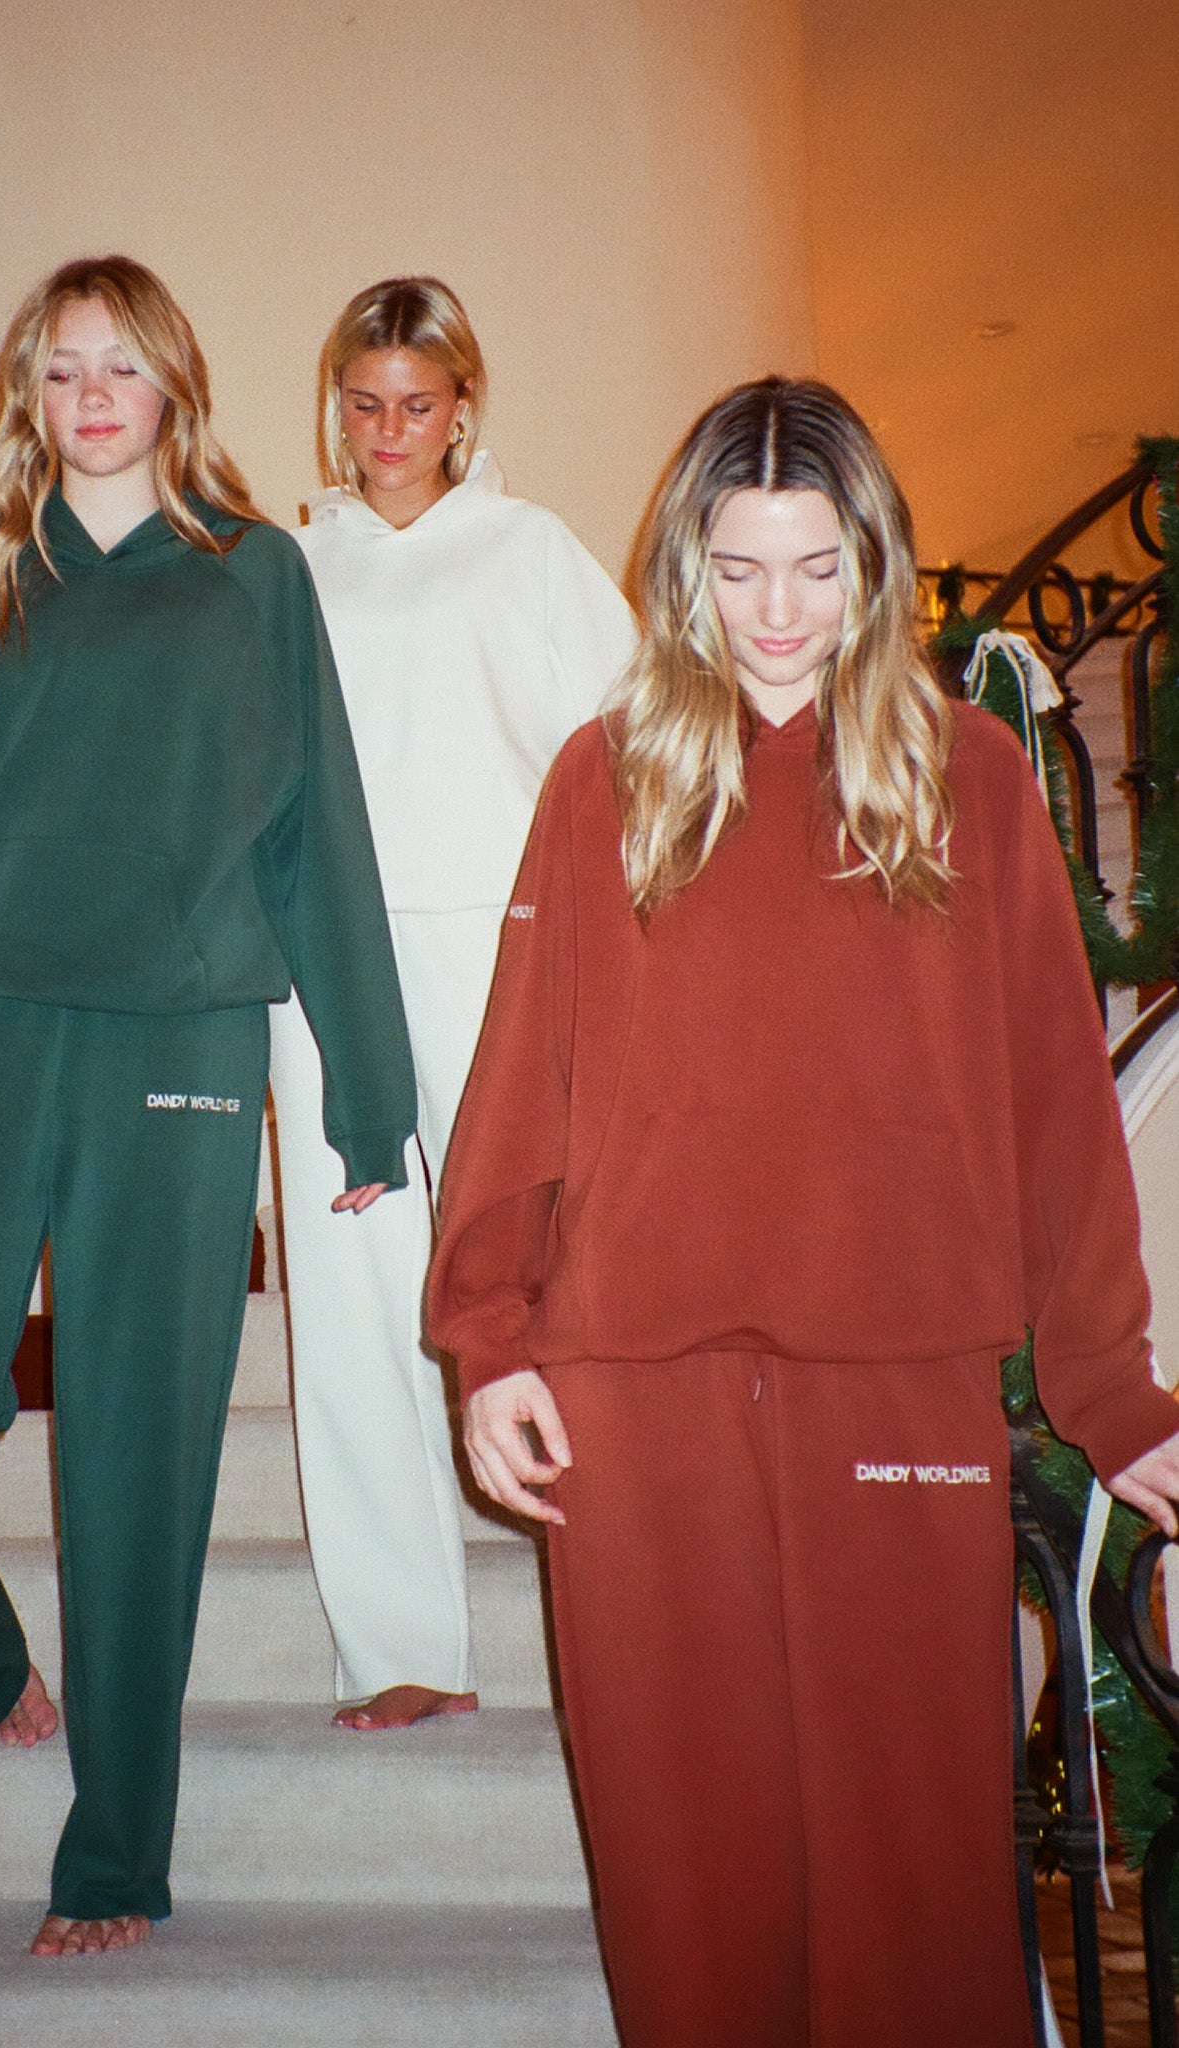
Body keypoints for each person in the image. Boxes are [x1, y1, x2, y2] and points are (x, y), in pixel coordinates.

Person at [425, 375, 1179, 2045]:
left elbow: (1056, 1105)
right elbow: (518, 1085)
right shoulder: (604, 778)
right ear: (686, 571)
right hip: (632, 1388)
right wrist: (492, 1345)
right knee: (681, 1857)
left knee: (909, 1853)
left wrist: (1109, 1390)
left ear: (875, 568)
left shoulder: (969, 780)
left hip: (892, 1377)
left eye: (817, 567)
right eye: (740, 566)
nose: (778, 613)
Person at [0, 255, 415, 1959]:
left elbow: (318, 834)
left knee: (142, 1453)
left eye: (122, 365)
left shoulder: (250, 577)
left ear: (174, 387)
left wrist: (372, 1098)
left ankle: (118, 1849)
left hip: (180, 1043)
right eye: (62, 371)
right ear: (28, 397)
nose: (92, 395)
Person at [268, 276, 635, 1731]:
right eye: (363, 405)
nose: (388, 431)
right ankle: (402, 1648)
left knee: (547, 1268)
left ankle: (620, 1618)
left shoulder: (529, 553)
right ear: (334, 406)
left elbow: (626, 751)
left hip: (500, 952)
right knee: (353, 1299)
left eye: (416, 405)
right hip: (322, 964)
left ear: (463, 407)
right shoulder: (289, 567)